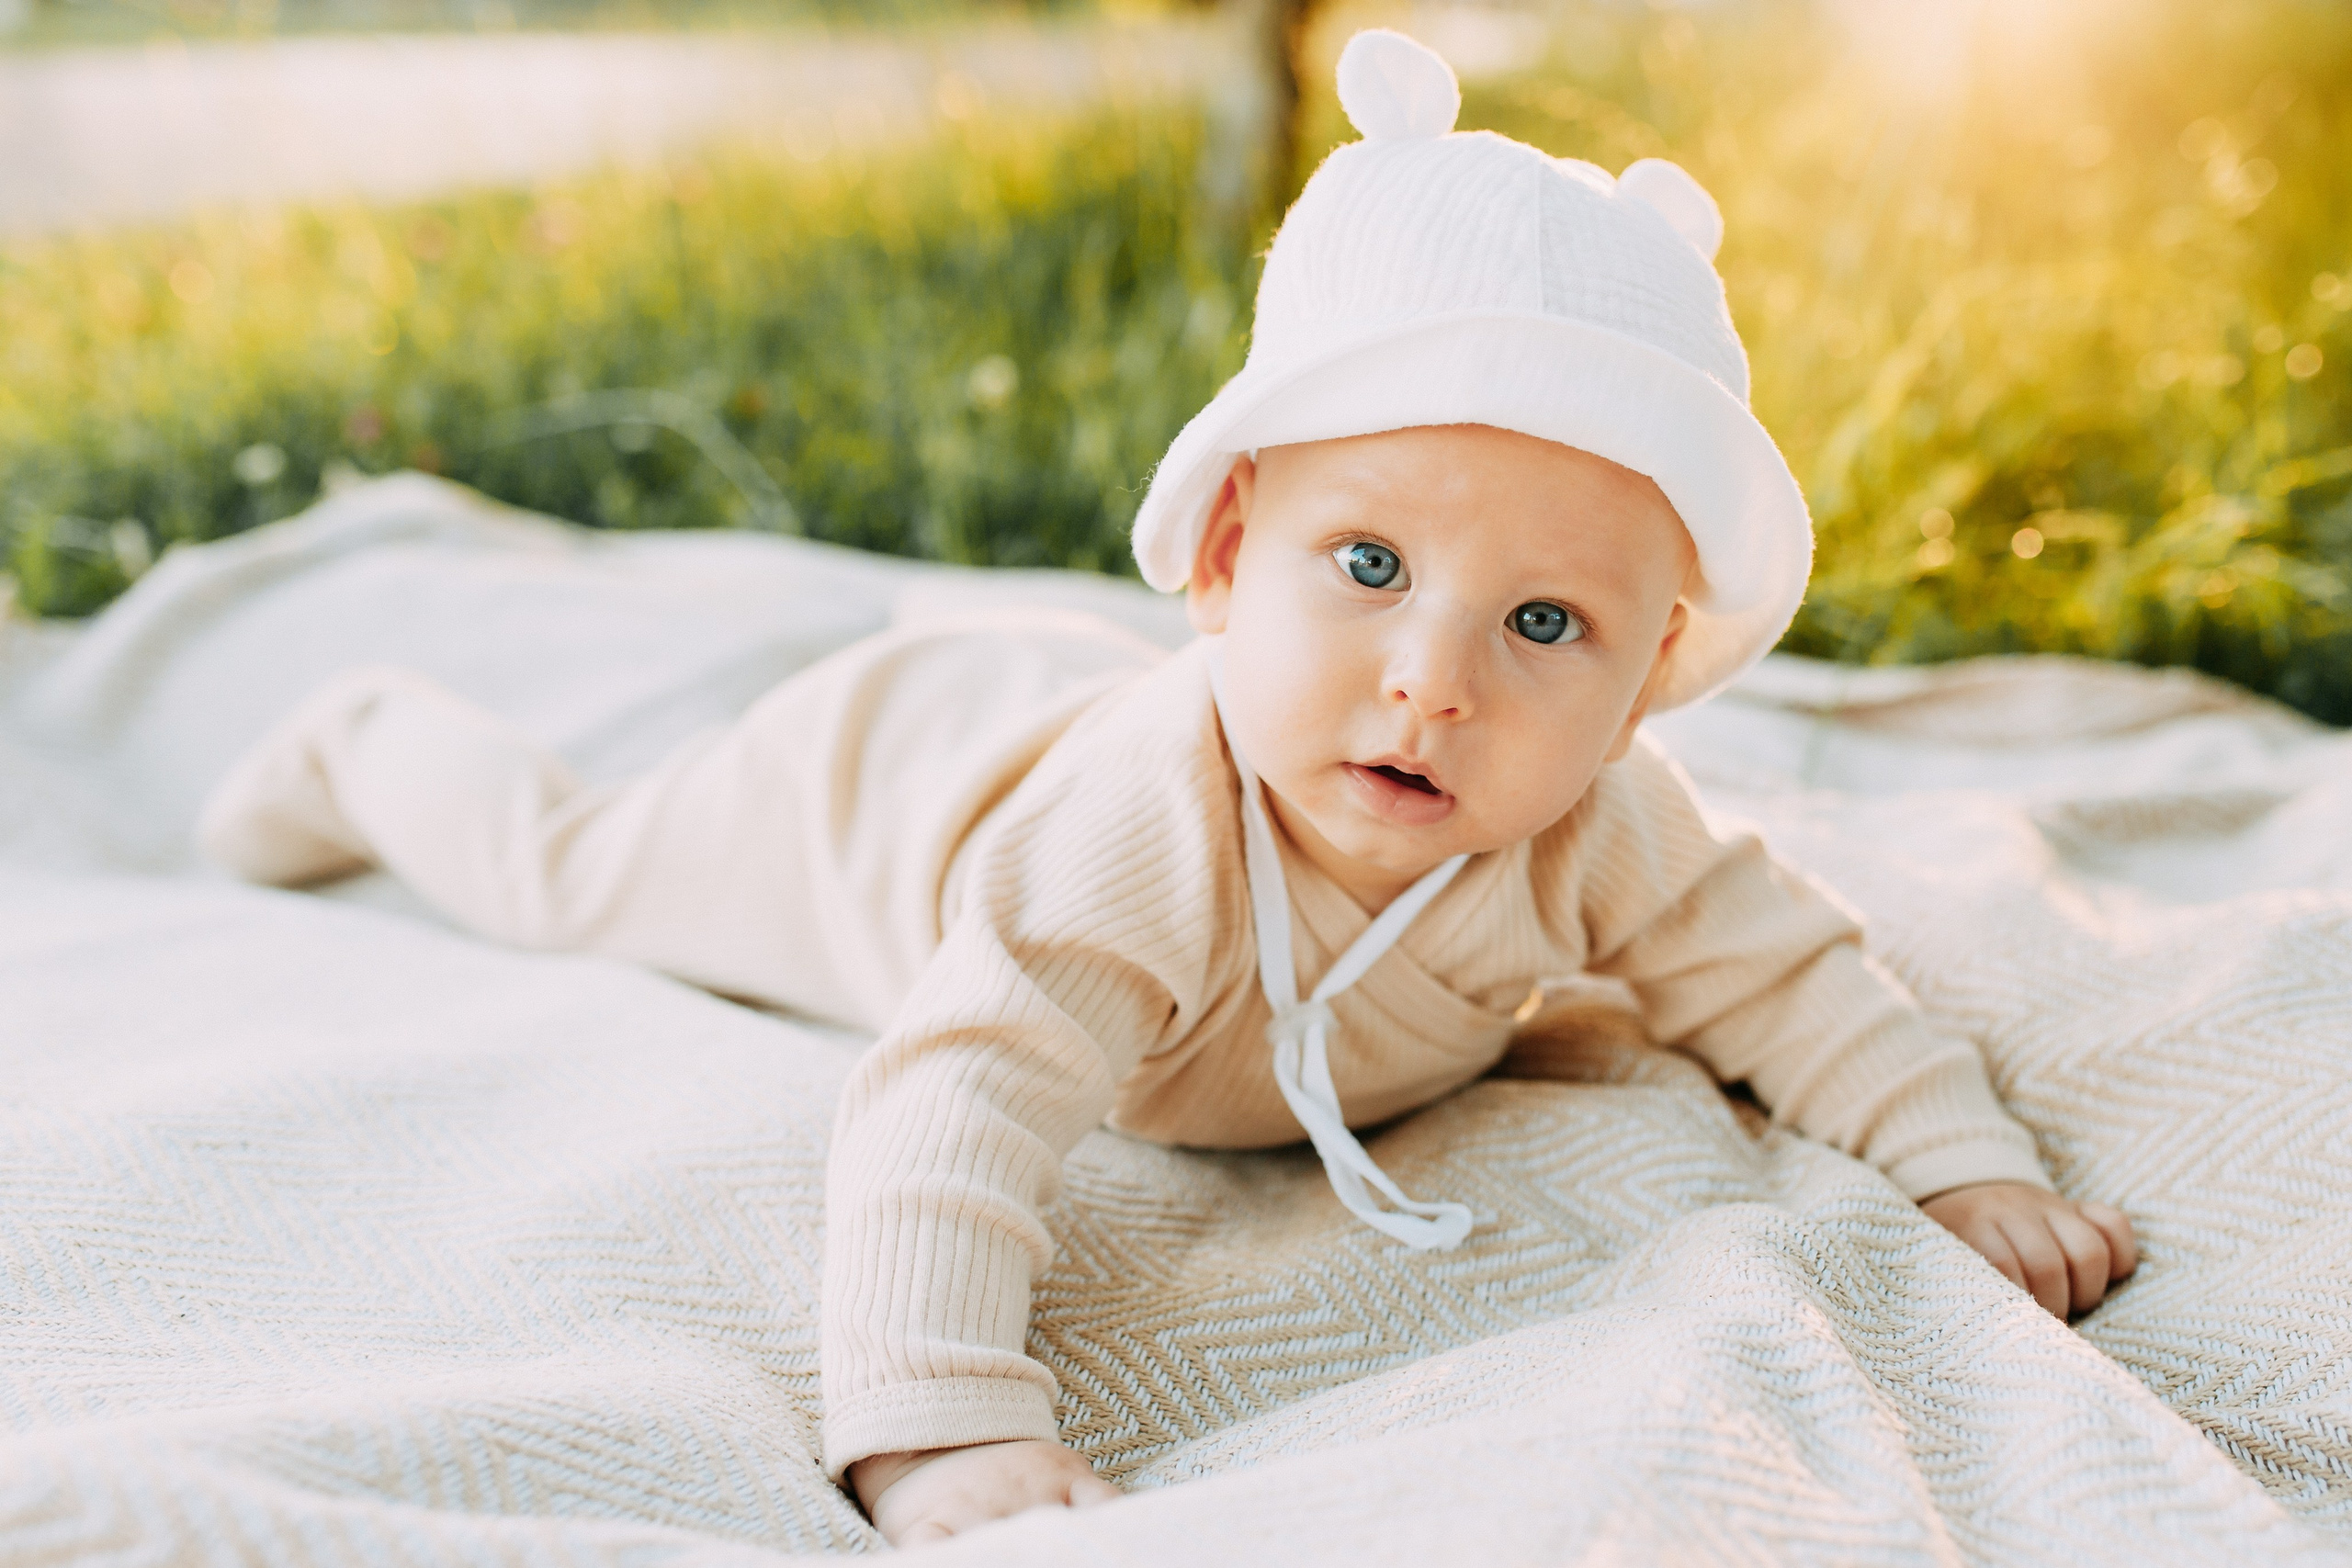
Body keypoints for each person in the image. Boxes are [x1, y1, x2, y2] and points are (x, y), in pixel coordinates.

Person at [198, 28, 2137, 1550]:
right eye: (1365, 565)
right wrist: (939, 1412)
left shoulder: (1590, 823)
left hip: (1059, 738)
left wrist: (1960, 1159)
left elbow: (1782, 970)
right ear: (1219, 553)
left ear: (1648, 684)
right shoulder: (1128, 840)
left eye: (1543, 621)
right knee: (573, 868)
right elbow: (954, 1094)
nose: (1431, 678)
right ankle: (369, 739)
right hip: (873, 800)